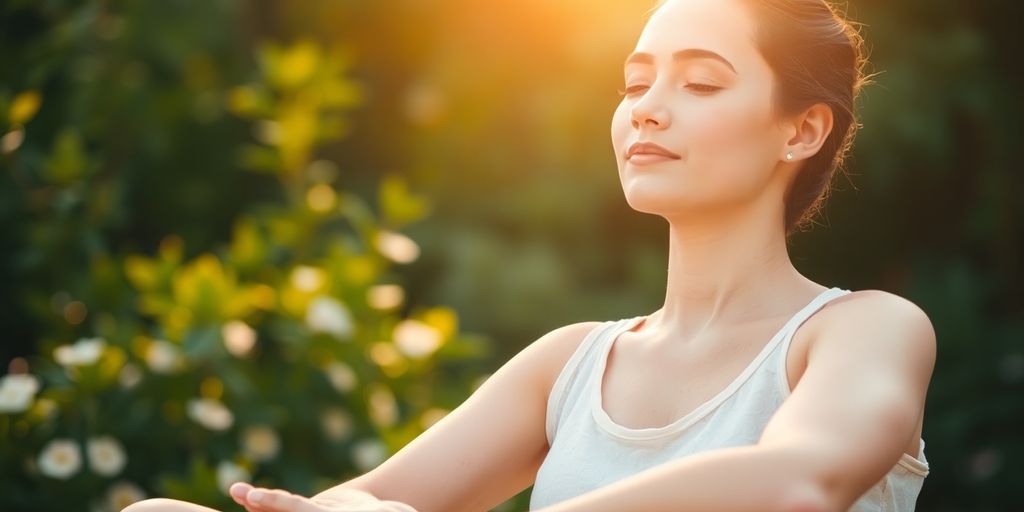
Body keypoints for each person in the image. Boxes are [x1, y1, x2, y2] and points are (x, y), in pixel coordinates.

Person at [124, 0, 936, 510]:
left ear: (801, 129)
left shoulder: (863, 331)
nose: (648, 110)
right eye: (635, 83)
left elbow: (799, 483)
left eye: (699, 84)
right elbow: (370, 500)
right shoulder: (571, 362)